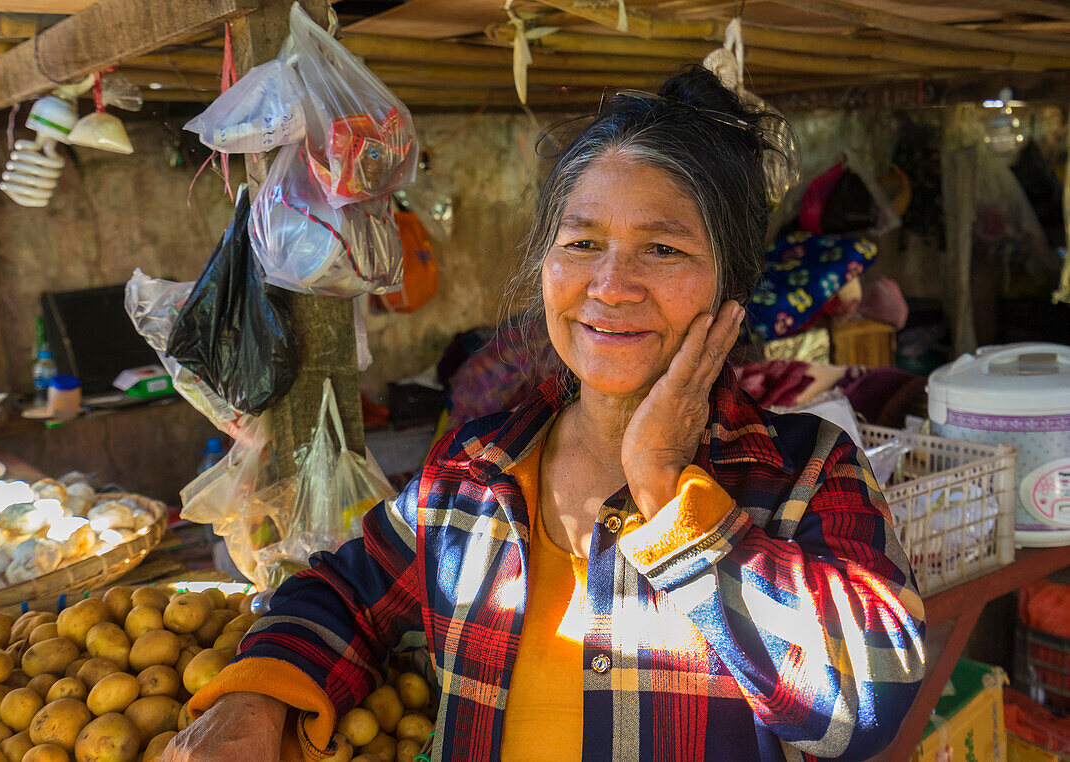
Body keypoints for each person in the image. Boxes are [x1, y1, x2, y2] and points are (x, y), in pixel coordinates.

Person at [164, 65, 926, 762]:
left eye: (662, 249)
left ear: (731, 285)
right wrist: (256, 699)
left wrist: (666, 493)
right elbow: (345, 590)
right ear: (544, 267)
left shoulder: (801, 471)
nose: (610, 284)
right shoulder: (474, 471)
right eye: (582, 242)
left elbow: (868, 703)